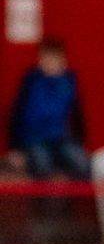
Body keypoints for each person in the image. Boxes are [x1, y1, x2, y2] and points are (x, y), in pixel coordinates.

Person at [6, 36, 89, 178]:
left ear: (63, 60)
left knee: (82, 163)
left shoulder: (69, 82)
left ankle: (70, 199)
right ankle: (43, 200)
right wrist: (15, 148)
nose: (50, 63)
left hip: (61, 139)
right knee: (43, 165)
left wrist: (80, 142)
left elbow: (77, 116)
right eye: (46, 58)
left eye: (54, 58)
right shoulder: (31, 82)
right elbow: (16, 115)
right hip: (33, 140)